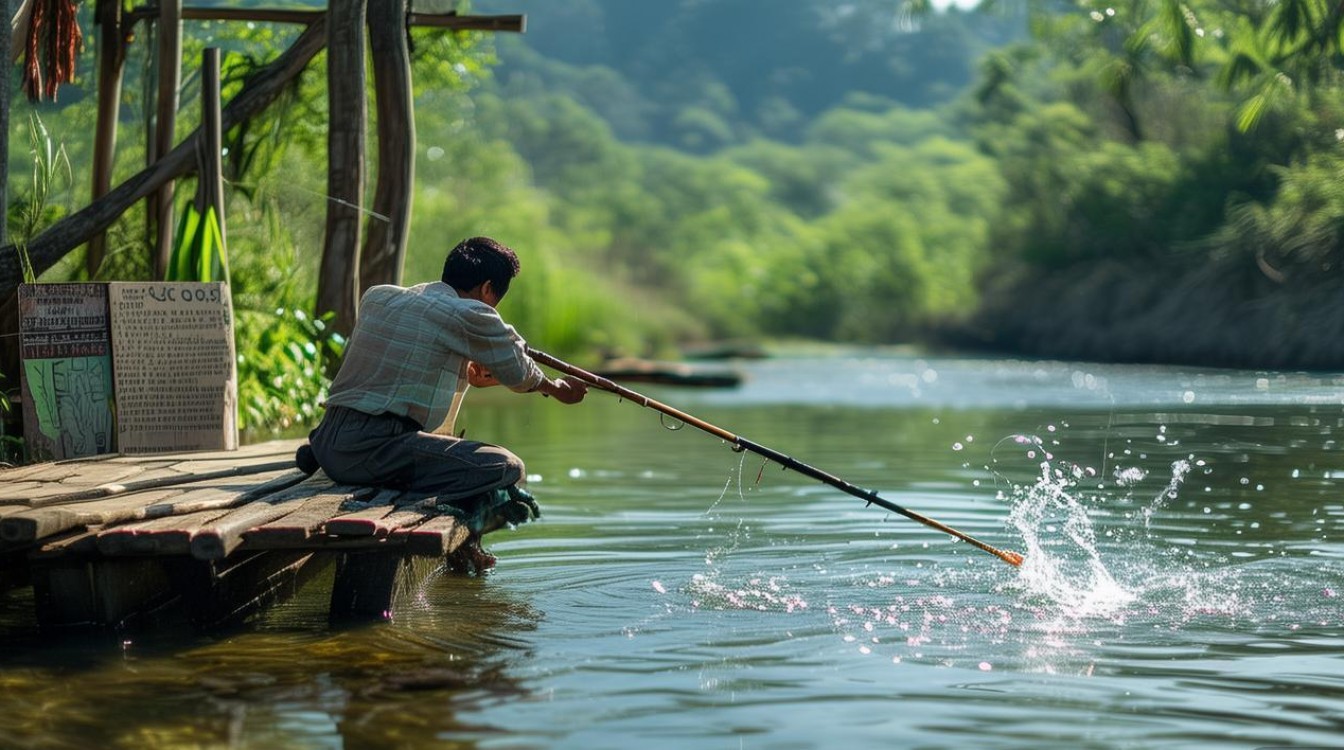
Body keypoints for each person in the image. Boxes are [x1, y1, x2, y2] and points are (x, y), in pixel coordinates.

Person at [296, 236, 587, 567]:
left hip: (329, 436)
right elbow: (520, 372)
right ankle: (451, 534)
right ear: (488, 289)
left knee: (448, 453)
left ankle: (331, 456)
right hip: (372, 447)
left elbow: (404, 363)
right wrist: (556, 388)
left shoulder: (379, 297)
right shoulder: (471, 312)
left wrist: (467, 371)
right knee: (506, 468)